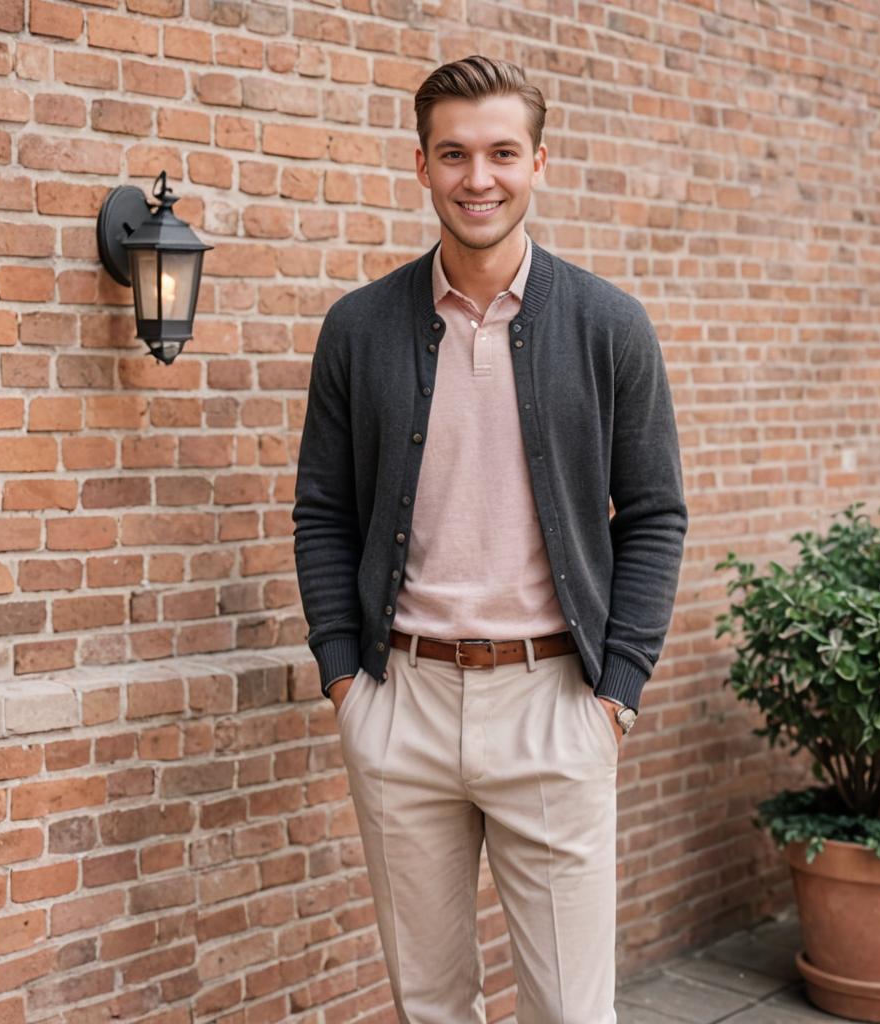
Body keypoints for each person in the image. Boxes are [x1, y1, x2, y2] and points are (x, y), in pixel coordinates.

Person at [292, 54, 687, 1024]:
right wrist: (346, 681)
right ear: (420, 164)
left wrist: (615, 698)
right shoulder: (357, 328)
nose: (480, 177)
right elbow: (320, 513)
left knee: (569, 1009)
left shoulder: (608, 326)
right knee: (430, 1004)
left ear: (539, 162)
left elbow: (654, 513)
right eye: (455, 153)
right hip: (403, 705)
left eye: (502, 152)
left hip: (554, 706)